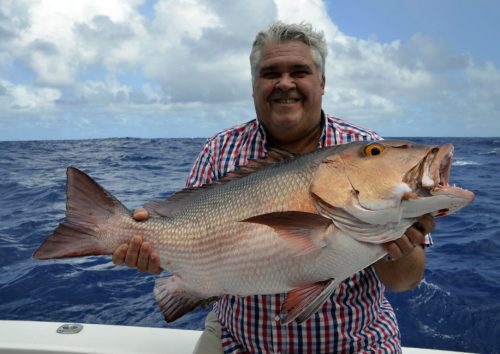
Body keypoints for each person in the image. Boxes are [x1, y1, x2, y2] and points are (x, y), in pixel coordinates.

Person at [112, 21, 435, 353]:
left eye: (299, 71)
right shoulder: (219, 150)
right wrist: (148, 248)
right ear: (253, 86)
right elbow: (184, 233)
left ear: (322, 83)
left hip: (354, 344)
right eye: (270, 74)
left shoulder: (365, 149)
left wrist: (399, 246)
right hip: (239, 342)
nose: (285, 83)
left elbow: (405, 281)